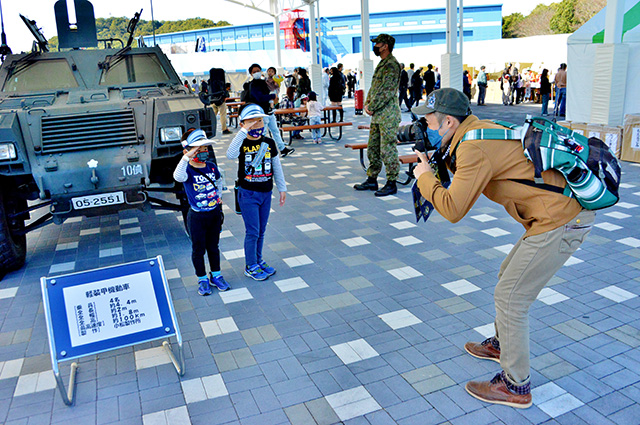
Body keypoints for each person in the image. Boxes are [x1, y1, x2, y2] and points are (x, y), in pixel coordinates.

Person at [411, 88, 594, 409]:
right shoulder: (476, 131)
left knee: (511, 297)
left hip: (561, 220)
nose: (424, 129)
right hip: (551, 217)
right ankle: (502, 345)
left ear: (449, 122)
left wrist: (425, 177)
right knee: (507, 275)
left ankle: (515, 385)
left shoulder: (473, 147)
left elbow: (453, 208)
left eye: (428, 122)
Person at [226, 104, 287, 281]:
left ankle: (259, 260)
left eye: (259, 120)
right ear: (243, 123)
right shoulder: (242, 143)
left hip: (266, 193)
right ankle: (250, 265)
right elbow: (230, 154)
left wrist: (282, 188)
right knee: (252, 231)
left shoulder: (268, 143)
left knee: (261, 230)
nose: (256, 124)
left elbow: (277, 166)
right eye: (251, 121)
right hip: (248, 194)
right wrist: (243, 131)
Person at [173, 129, 230, 295]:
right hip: (196, 216)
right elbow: (177, 176)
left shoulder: (211, 167)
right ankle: (202, 278)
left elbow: (219, 181)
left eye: (205, 148)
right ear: (188, 151)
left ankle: (216, 275)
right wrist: (187, 156)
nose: (204, 152)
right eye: (198, 149)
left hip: (213, 214)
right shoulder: (187, 171)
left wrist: (218, 198)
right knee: (198, 249)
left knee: (213, 247)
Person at [354, 34, 401, 197]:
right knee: (373, 148)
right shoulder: (382, 64)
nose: (375, 47)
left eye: (377, 44)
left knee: (387, 149)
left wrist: (372, 106)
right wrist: (367, 104)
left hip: (387, 115)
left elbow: (387, 91)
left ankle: (391, 182)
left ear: (385, 46)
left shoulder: (392, 65)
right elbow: (374, 88)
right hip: (378, 115)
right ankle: (372, 178)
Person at [243, 63, 294, 157]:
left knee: (275, 131)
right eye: (254, 72)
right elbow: (259, 98)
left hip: (269, 111)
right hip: (261, 113)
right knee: (263, 133)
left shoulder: (263, 82)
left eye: (258, 71)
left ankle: (282, 149)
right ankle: (260, 152)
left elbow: (271, 89)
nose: (257, 73)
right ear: (251, 74)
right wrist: (272, 96)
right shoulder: (253, 85)